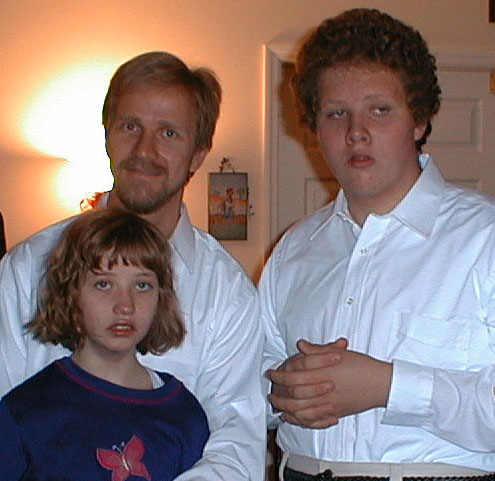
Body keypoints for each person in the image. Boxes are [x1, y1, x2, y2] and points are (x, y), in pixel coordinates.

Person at [0, 51, 265, 481]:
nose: (145, 150)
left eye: (169, 133)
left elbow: (235, 445)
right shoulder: (29, 267)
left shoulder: (226, 292)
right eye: (130, 126)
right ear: (106, 134)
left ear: (199, 153)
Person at [260, 8, 495, 481]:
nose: (356, 132)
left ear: (419, 119)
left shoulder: (484, 238)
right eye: (336, 113)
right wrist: (281, 394)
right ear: (315, 127)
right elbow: (251, 384)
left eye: (380, 109)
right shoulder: (292, 250)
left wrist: (389, 387)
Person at [1, 208, 210, 480]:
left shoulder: (183, 414)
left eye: (142, 286)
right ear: (70, 294)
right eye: (103, 284)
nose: (125, 305)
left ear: (162, 297)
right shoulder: (25, 413)